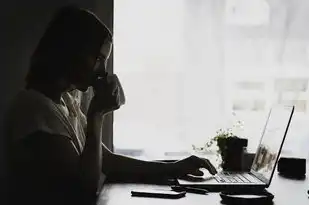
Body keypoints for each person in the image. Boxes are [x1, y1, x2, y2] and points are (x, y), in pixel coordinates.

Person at [4, 5, 217, 205]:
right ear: (72, 52)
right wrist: (96, 115)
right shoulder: (33, 109)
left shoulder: (65, 103)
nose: (103, 70)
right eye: (99, 58)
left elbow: (108, 161)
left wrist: (175, 167)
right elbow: (83, 190)